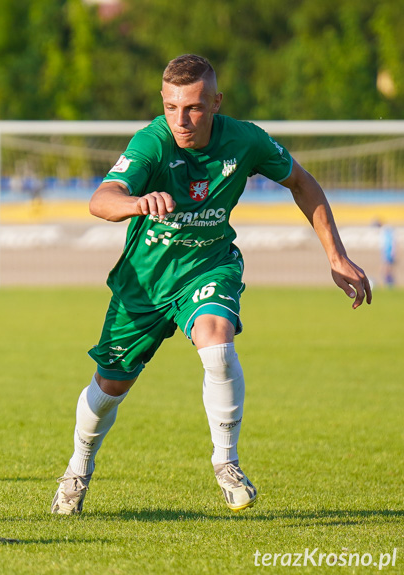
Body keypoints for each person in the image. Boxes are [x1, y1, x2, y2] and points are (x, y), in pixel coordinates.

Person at [51, 54, 372, 515]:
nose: (181, 120)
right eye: (171, 107)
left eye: (194, 108)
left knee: (217, 341)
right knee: (109, 388)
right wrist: (137, 201)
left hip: (209, 267)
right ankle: (78, 469)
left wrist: (336, 256)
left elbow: (302, 182)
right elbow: (101, 200)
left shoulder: (246, 140)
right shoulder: (152, 142)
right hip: (145, 283)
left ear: (216, 103)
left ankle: (226, 461)